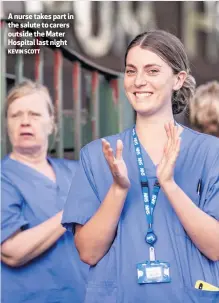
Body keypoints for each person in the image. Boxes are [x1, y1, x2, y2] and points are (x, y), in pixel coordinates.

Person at [62, 30, 219, 303]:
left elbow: (216, 247)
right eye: (131, 71)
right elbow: (88, 252)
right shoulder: (97, 156)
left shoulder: (209, 153)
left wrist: (169, 184)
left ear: (178, 79)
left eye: (152, 70)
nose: (139, 81)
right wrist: (119, 189)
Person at [1, 80, 88, 303]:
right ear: (7, 125)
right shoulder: (4, 177)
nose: (25, 122)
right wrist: (71, 210)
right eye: (16, 115)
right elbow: (11, 251)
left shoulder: (75, 171)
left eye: (35, 114)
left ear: (51, 124)